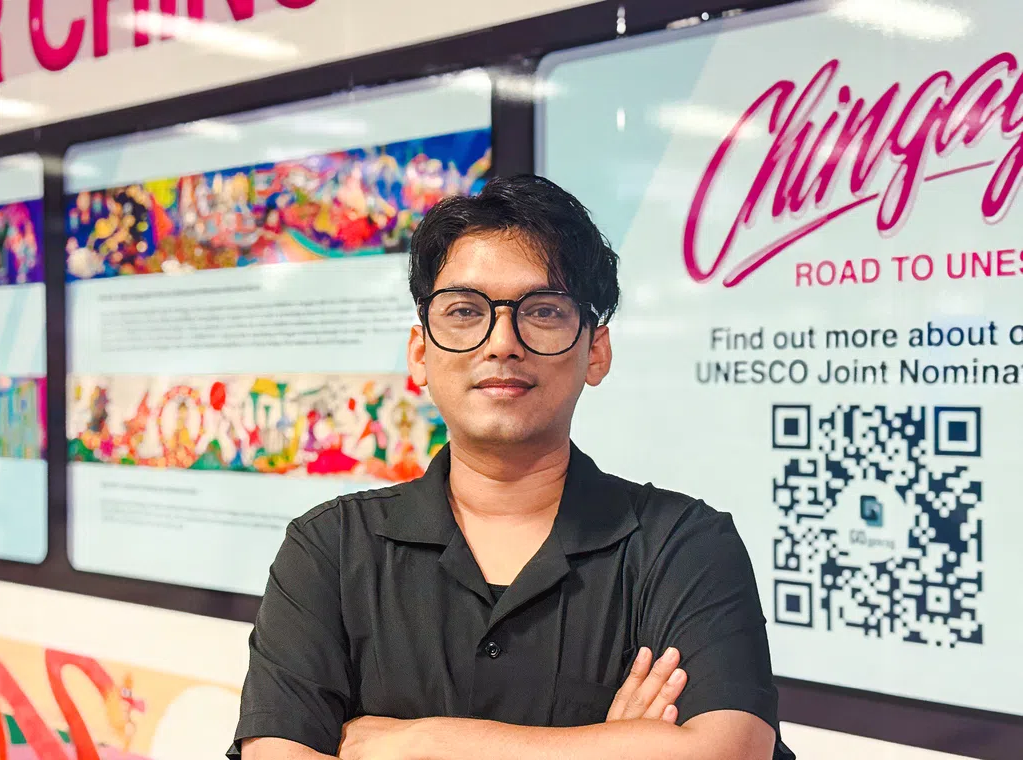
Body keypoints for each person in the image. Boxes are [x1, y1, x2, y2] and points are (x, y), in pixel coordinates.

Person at [229, 174, 794, 760]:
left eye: (543, 311)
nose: (502, 342)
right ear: (420, 353)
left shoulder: (683, 546)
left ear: (595, 351)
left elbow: (728, 751)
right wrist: (614, 746)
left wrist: (422, 742)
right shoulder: (330, 548)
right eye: (465, 310)